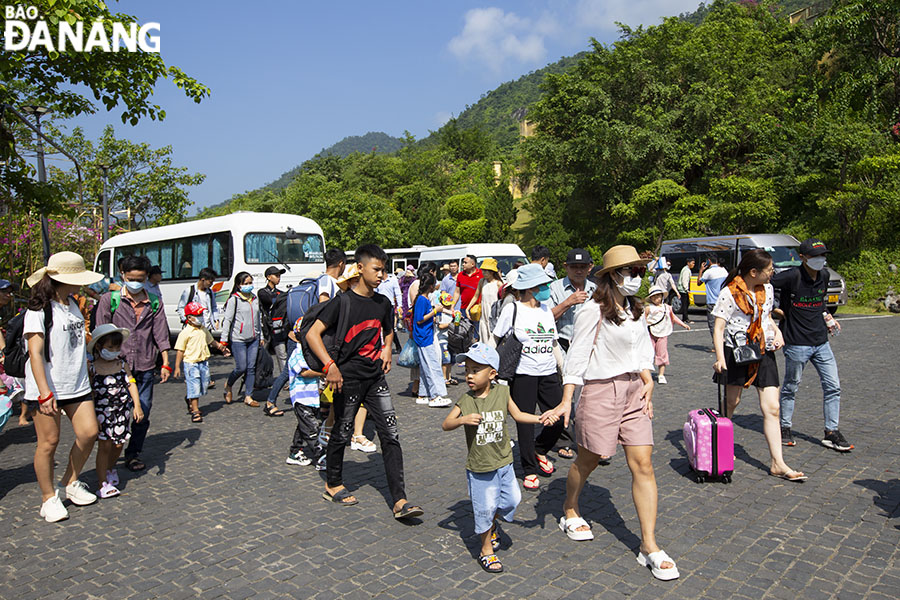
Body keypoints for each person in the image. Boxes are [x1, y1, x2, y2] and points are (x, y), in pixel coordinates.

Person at [552, 245, 679, 582]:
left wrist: (648, 377)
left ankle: (649, 545)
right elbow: (577, 356)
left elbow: (641, 350)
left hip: (635, 392)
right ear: (612, 276)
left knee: (644, 464)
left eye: (639, 271)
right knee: (589, 460)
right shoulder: (593, 309)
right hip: (600, 390)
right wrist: (567, 400)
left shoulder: (636, 310)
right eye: (631, 271)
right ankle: (570, 507)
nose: (637, 277)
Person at [306, 244, 423, 519]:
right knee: (342, 432)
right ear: (360, 268)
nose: (382, 275)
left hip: (375, 378)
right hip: (347, 379)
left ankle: (400, 500)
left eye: (384, 270)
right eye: (377, 269)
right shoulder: (342, 301)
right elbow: (313, 334)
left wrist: (386, 347)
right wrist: (330, 366)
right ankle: (333, 484)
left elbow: (388, 330)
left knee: (391, 435)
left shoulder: (382, 303)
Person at [441, 342, 558, 574]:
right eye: (467, 371)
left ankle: (492, 523)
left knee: (511, 500)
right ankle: (486, 550)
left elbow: (518, 415)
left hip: (504, 463)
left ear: (492, 373)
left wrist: (540, 419)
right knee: (483, 510)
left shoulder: (503, 393)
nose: (469, 376)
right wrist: (462, 420)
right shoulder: (466, 400)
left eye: (475, 370)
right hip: (480, 467)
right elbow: (446, 424)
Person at [712, 249, 807, 482]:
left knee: (772, 407)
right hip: (736, 352)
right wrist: (720, 357)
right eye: (769, 270)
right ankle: (722, 446)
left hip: (763, 351)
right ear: (753, 272)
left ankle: (778, 462)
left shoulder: (768, 289)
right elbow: (719, 328)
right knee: (732, 402)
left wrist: (776, 332)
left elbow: (765, 318)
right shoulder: (729, 293)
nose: (772, 273)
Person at [24, 252, 103, 522]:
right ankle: (48, 498)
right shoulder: (38, 309)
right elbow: (35, 353)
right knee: (49, 442)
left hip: (77, 383)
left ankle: (70, 482)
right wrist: (45, 392)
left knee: (89, 432)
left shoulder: (72, 303)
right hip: (47, 386)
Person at [772, 238, 851, 452]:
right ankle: (785, 427)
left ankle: (831, 432)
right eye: (815, 256)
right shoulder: (791, 276)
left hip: (821, 342)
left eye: (823, 255)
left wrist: (827, 317)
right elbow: (763, 284)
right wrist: (773, 309)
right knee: (791, 386)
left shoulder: (824, 275)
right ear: (803, 258)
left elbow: (820, 301)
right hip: (796, 343)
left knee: (833, 386)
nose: (820, 260)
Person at [94, 254, 171, 473]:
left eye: (140, 278)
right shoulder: (109, 300)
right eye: (131, 277)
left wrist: (165, 361)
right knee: (115, 412)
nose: (135, 282)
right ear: (123, 276)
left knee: (142, 412)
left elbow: (160, 333)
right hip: (115, 367)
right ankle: (109, 454)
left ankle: (133, 453)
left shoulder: (154, 301)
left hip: (145, 364)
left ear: (146, 277)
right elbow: (100, 331)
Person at [492, 263, 565, 491]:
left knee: (560, 419)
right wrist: (490, 369)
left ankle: (540, 449)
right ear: (531, 287)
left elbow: (553, 343)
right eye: (543, 284)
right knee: (524, 423)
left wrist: (564, 370)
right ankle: (529, 469)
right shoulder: (512, 309)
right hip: (523, 375)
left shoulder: (545, 310)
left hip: (549, 372)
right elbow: (496, 340)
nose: (546, 288)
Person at [88, 324, 143, 498]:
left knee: (118, 444)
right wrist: (91, 415)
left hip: (121, 411)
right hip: (102, 412)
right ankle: (102, 481)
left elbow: (131, 383)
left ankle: (111, 468)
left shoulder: (121, 364)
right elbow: (89, 392)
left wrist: (137, 405)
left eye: (117, 347)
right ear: (99, 347)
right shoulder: (93, 367)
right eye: (110, 347)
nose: (114, 350)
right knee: (104, 446)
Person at [173, 302, 228, 423]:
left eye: (201, 314)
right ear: (189, 318)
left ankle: (190, 399)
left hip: (203, 362)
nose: (200, 317)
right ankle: (195, 410)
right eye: (197, 315)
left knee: (204, 385)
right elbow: (180, 350)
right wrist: (177, 367)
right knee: (194, 386)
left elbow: (211, 341)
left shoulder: (203, 329)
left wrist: (221, 348)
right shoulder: (185, 333)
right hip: (191, 363)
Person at [285, 317, 324, 468]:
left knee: (303, 426)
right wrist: (322, 373)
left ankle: (295, 451)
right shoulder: (297, 353)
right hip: (301, 397)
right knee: (312, 429)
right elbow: (304, 373)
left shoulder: (310, 353)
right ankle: (320, 457)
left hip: (312, 396)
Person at [220, 272, 263, 409]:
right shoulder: (234, 299)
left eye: (250, 282)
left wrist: (260, 336)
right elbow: (228, 320)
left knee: (251, 368)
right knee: (241, 367)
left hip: (254, 338)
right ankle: (229, 384)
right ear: (239, 285)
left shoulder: (255, 298)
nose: (248, 285)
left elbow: (258, 318)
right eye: (245, 283)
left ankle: (248, 396)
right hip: (238, 339)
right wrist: (223, 340)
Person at [413, 274, 451, 408]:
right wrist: (435, 311)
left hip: (425, 335)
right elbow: (419, 318)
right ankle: (435, 395)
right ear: (430, 286)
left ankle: (423, 394)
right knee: (432, 365)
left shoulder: (424, 299)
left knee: (425, 366)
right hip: (424, 337)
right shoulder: (422, 300)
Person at [549, 248, 597, 353]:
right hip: (563, 347)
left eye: (583, 267)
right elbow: (546, 318)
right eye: (574, 267)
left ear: (589, 268)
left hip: (589, 348)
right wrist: (567, 303)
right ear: (566, 267)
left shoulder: (595, 289)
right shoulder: (555, 288)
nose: (578, 271)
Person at [644, 285, 690, 384]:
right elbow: (643, 320)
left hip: (663, 333)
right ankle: (646, 374)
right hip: (650, 333)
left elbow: (674, 318)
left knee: (662, 354)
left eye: (658, 296)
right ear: (651, 298)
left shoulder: (667, 308)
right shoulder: (648, 308)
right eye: (654, 297)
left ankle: (661, 374)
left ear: (662, 296)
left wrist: (683, 324)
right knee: (647, 354)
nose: (656, 298)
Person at [258, 266, 288, 381]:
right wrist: (281, 297)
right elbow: (271, 300)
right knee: (261, 355)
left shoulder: (280, 292)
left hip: (277, 328)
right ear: (268, 277)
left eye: (279, 276)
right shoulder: (262, 292)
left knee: (282, 355)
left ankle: (285, 380)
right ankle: (258, 378)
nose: (278, 278)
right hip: (265, 330)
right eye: (276, 275)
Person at [470, 258, 503, 347]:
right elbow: (476, 296)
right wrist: (468, 308)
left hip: (494, 314)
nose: (483, 273)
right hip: (484, 314)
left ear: (492, 272)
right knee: (484, 337)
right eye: (483, 270)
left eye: (485, 271)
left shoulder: (498, 284)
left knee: (493, 339)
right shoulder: (482, 281)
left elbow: (503, 301)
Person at [698, 254, 728, 341]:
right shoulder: (724, 270)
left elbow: (699, 283)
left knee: (712, 324)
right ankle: (723, 340)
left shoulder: (708, 272)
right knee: (722, 323)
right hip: (723, 301)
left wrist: (701, 270)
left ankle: (716, 343)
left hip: (712, 301)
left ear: (709, 261)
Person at [375, 267, 404, 354]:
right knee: (379, 327)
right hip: (379, 306)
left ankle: (397, 346)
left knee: (389, 328)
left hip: (390, 306)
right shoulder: (378, 282)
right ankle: (382, 346)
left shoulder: (392, 281)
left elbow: (398, 293)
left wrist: (400, 306)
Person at [452, 255, 483, 323]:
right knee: (465, 330)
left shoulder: (481, 274)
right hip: (464, 309)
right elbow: (457, 292)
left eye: (465, 262)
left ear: (472, 264)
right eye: (463, 262)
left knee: (477, 331)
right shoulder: (460, 275)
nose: (463, 264)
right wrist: (452, 306)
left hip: (477, 309)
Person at [677, 258, 695, 324]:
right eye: (692, 263)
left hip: (684, 289)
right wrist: (687, 289)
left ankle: (685, 318)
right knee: (685, 304)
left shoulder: (687, 269)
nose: (693, 265)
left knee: (686, 304)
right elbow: (685, 280)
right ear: (688, 263)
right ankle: (685, 318)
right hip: (683, 290)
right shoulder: (686, 270)